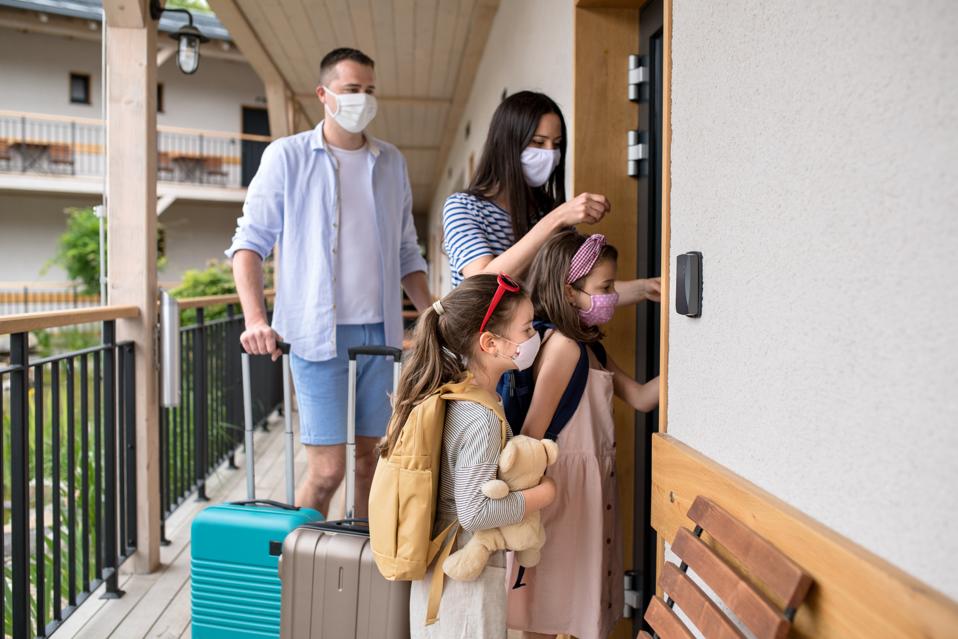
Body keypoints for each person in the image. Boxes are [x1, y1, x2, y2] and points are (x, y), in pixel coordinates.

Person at [226, 47, 432, 518]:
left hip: (379, 338)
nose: (363, 99)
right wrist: (256, 319)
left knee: (371, 466)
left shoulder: (392, 162)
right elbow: (248, 244)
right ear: (324, 94)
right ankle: (295, 571)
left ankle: (357, 569)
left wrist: (434, 314)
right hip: (315, 338)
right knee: (326, 472)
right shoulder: (288, 156)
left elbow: (407, 253)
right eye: (351, 90)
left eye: (369, 90)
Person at [506, 231, 659, 639]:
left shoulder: (590, 349)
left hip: (589, 493)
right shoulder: (564, 349)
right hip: (562, 494)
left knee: (573, 611)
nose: (611, 296)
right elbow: (530, 436)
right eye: (605, 287)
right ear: (569, 291)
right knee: (545, 612)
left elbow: (643, 398)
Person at [387, 274, 557, 638]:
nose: (533, 338)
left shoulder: (456, 395)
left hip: (443, 568)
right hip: (463, 577)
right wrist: (542, 495)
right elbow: (475, 511)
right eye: (526, 329)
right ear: (490, 343)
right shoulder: (480, 417)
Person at [442, 90, 660, 305]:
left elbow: (579, 289)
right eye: (538, 142)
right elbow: (483, 286)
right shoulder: (463, 207)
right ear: (506, 144)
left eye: (556, 144)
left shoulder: (545, 210)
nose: (550, 153)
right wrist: (557, 218)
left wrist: (644, 288)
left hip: (531, 336)